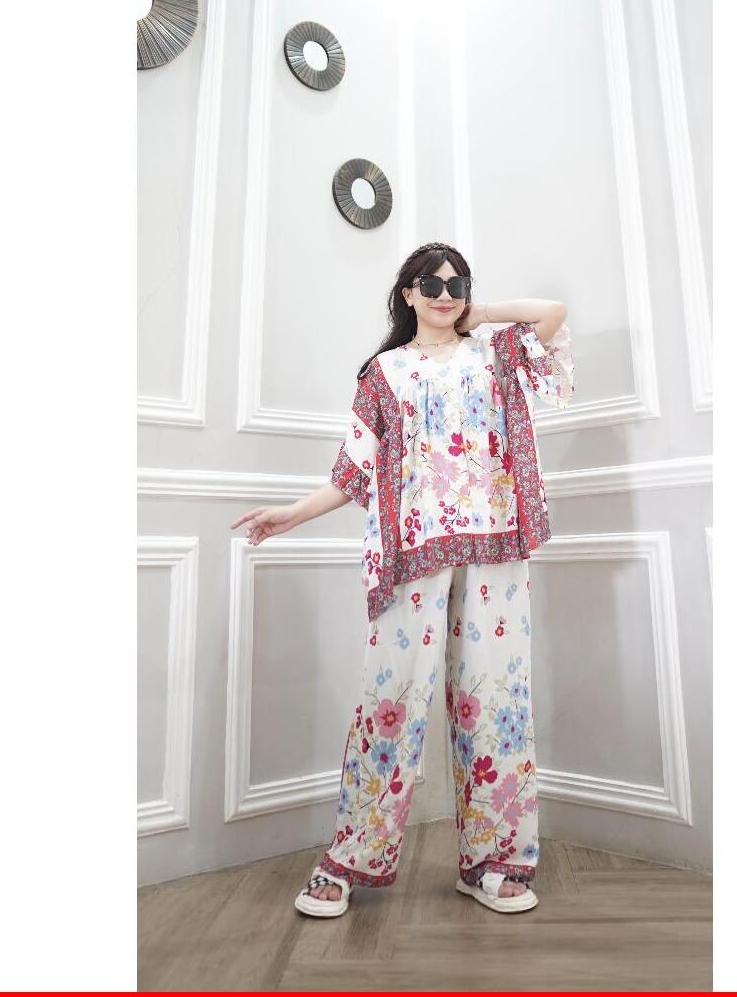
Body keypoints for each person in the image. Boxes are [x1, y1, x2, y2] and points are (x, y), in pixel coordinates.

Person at [229, 241, 574, 917]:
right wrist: (291, 514)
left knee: (497, 703)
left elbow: (553, 312)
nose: (444, 294)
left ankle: (493, 863)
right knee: (390, 699)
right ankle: (349, 859)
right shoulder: (384, 374)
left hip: (495, 547)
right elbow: (353, 473)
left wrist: (480, 313)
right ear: (407, 293)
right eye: (430, 283)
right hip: (412, 551)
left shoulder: (493, 352)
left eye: (456, 283)